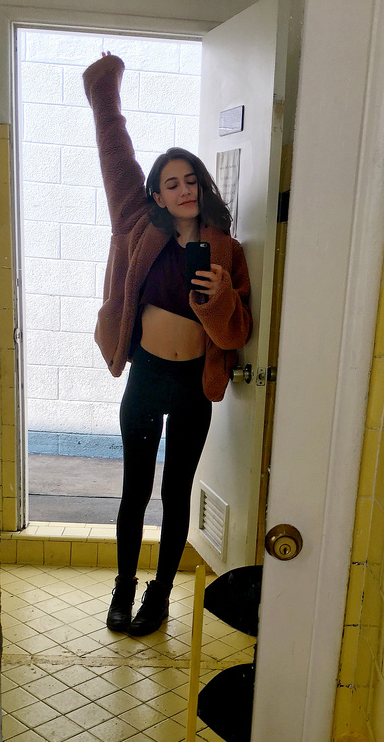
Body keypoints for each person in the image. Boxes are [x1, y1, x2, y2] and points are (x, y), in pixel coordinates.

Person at [83, 53, 252, 637]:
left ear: (203, 187)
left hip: (192, 387)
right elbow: (116, 156)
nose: (182, 190)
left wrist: (220, 298)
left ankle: (158, 595)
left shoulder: (227, 250)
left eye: (190, 181)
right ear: (156, 193)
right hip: (147, 376)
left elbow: (236, 334)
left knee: (176, 494)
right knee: (135, 491)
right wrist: (104, 89)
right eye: (170, 183)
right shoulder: (136, 225)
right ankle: (124, 587)